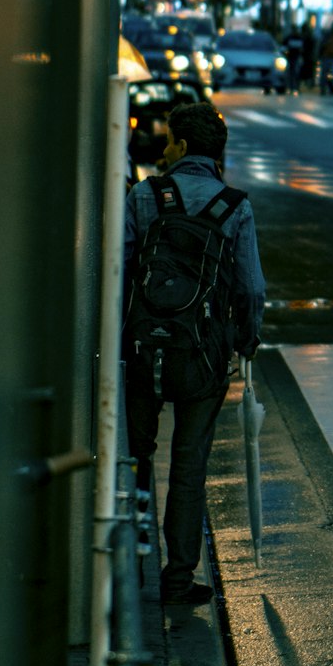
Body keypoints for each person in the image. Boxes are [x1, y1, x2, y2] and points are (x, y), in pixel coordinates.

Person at [123, 102, 266, 605]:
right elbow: (250, 289)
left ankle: (125, 564)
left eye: (168, 141)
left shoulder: (144, 196)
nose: (163, 149)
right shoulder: (234, 206)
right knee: (189, 466)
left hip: (141, 350)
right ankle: (178, 579)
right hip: (203, 356)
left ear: (181, 147)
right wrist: (246, 340)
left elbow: (120, 270)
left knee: (133, 454)